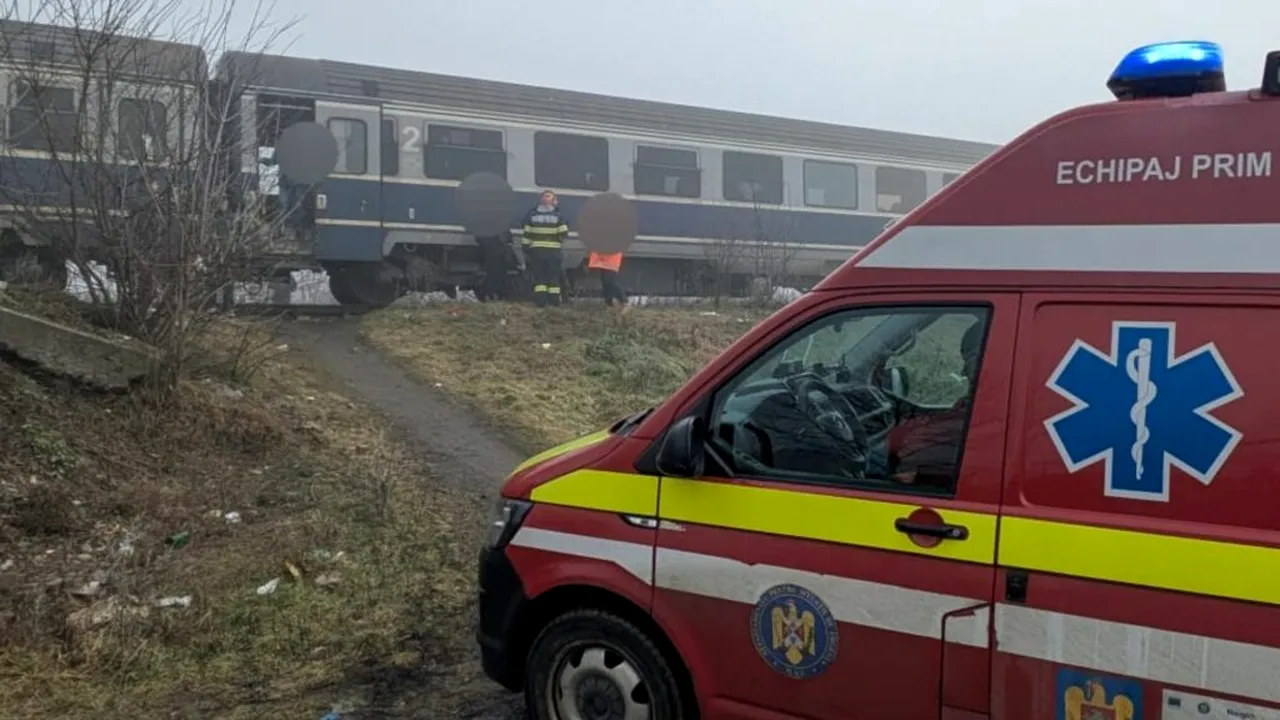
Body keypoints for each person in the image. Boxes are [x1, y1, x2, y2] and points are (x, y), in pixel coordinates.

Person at [883, 319, 984, 489]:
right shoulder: (983, 400)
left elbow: (987, 464)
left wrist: (927, 476)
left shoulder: (999, 408)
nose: (963, 372)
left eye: (970, 360)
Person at [521, 190, 569, 307]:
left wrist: (526, 249)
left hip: (537, 252)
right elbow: (563, 233)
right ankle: (554, 303)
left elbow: (526, 235)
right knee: (553, 278)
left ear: (541, 201)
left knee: (539, 278)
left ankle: (541, 303)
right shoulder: (558, 216)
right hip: (553, 252)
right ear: (554, 201)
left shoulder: (532, 216)